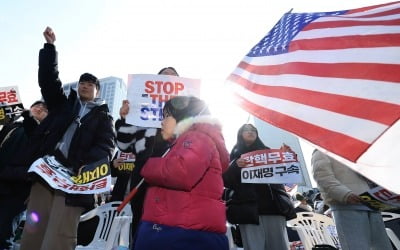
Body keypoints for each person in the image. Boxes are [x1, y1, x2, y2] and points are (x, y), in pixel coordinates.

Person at [19, 26, 115, 250]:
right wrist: (50, 48)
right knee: (33, 232)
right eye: (82, 82)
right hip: (46, 173)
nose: (85, 85)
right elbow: (49, 80)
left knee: (59, 236)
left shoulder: (104, 118)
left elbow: (106, 147)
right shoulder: (63, 105)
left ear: (97, 91)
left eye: (91, 84)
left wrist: (85, 165)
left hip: (74, 180)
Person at [133, 96, 229, 250]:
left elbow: (182, 172)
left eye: (166, 116)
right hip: (177, 229)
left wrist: (146, 165)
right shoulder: (181, 143)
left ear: (182, 116)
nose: (162, 122)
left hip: (183, 234)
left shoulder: (197, 137)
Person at [115, 66, 178, 247]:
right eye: (163, 76)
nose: (168, 79)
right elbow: (124, 145)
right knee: (141, 219)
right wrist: (124, 118)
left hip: (174, 173)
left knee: (171, 221)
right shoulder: (140, 113)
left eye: (173, 77)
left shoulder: (188, 117)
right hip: (143, 174)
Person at [223, 123, 290, 250]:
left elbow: (283, 175)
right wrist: (235, 166)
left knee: (279, 246)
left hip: (273, 208)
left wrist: (284, 158)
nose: (250, 132)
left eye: (253, 130)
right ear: (240, 134)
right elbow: (226, 181)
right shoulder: (234, 154)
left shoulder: (268, 151)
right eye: (246, 130)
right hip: (248, 210)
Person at [312, 149, 392, 250]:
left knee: (382, 246)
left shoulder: (353, 150)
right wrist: (345, 194)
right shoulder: (321, 151)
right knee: (357, 246)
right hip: (347, 207)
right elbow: (323, 178)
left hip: (371, 205)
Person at [0, 100, 48, 249]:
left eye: (44, 108)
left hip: (18, 190)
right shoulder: (12, 126)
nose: (39, 108)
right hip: (3, 181)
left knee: (3, 232)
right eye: (36, 105)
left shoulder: (46, 135)